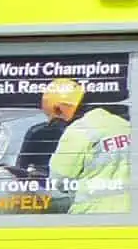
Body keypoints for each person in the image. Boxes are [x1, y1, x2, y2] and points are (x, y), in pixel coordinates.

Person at [43, 76, 132, 213]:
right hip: (131, 214)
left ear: (61, 110)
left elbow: (59, 181)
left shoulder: (78, 130)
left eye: (56, 121)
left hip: (91, 216)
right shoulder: (124, 125)